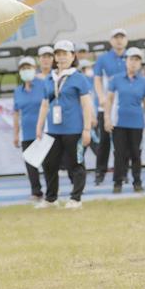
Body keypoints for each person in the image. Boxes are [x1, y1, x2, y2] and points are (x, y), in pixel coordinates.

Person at [35, 40, 92, 209]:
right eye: (58, 54)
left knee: (75, 164)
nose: (61, 57)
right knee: (49, 164)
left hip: (73, 129)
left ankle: (76, 198)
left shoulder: (78, 78)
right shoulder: (49, 79)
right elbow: (45, 104)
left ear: (72, 56)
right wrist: (39, 126)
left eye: (65, 54)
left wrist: (87, 129)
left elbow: (86, 105)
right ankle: (51, 199)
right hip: (53, 129)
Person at [104, 47, 145, 193]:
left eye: (137, 60)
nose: (134, 63)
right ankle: (117, 182)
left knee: (136, 154)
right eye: (131, 59)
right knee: (119, 153)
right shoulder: (116, 79)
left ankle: (137, 182)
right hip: (119, 123)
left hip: (137, 123)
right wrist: (107, 118)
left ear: (140, 63)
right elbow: (109, 100)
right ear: (126, 61)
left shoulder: (144, 82)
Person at [93, 28, 128, 185]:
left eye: (122, 37)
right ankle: (100, 172)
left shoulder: (131, 57)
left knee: (123, 143)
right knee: (104, 142)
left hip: (124, 107)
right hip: (106, 107)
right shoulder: (103, 59)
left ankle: (123, 172)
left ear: (126, 40)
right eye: (116, 37)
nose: (119, 40)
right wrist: (101, 97)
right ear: (111, 41)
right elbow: (97, 79)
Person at [13, 56, 47, 201]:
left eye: (29, 68)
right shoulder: (18, 91)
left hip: (44, 131)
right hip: (26, 133)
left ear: (35, 69)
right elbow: (16, 113)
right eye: (23, 69)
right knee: (30, 164)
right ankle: (36, 191)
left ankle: (52, 191)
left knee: (48, 164)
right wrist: (15, 134)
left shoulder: (44, 84)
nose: (26, 71)